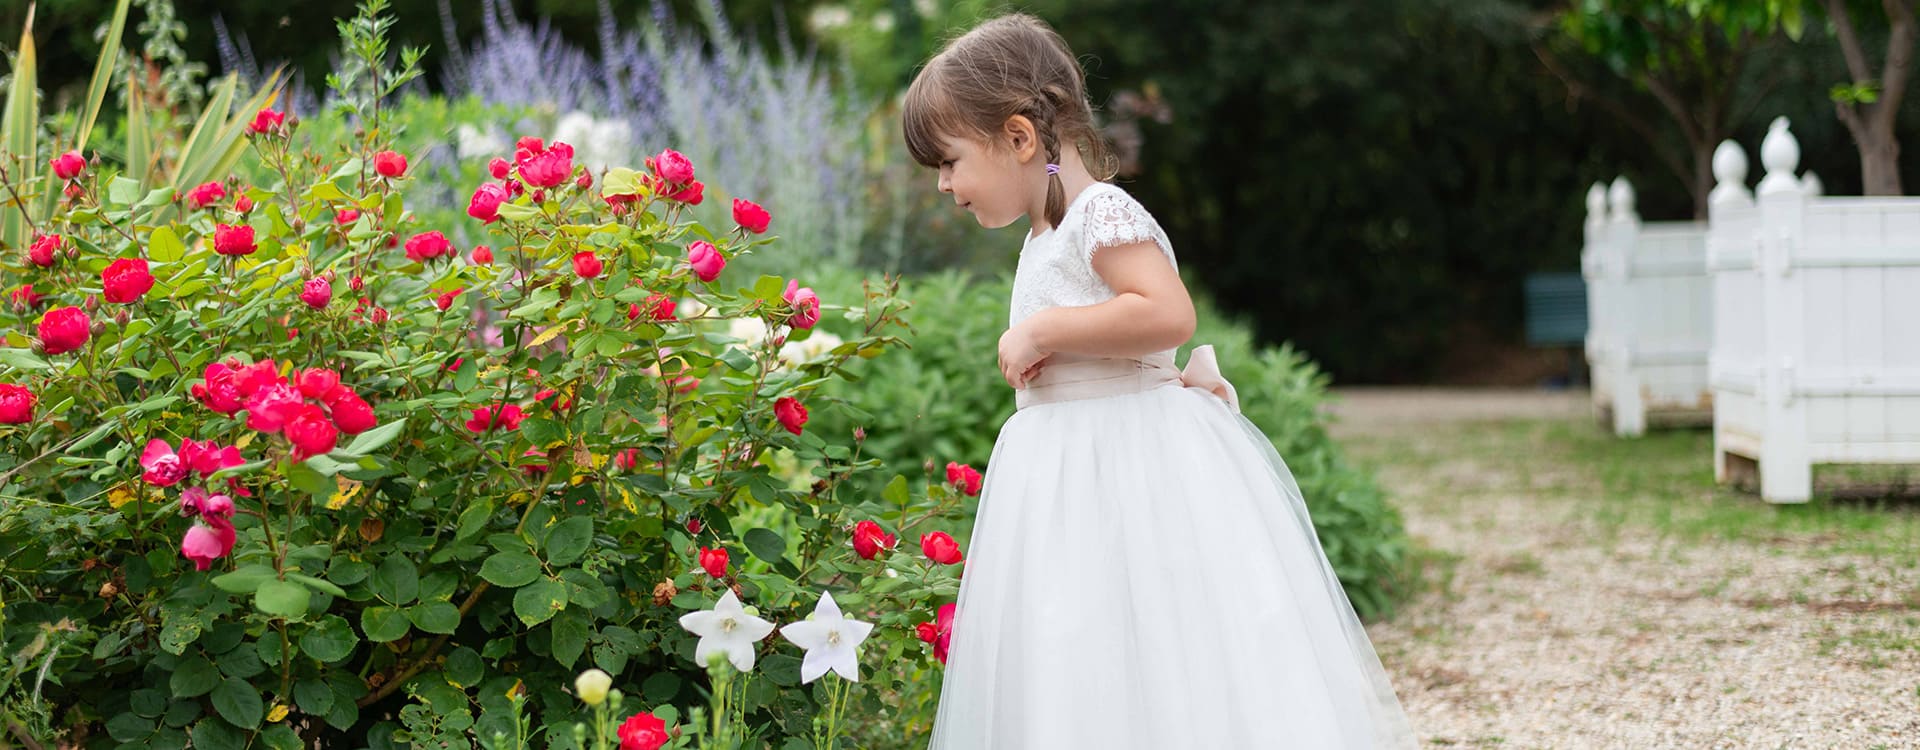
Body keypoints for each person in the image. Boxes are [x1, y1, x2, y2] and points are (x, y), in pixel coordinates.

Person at [900, 13, 1416, 749]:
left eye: (949, 162)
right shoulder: (1044, 235)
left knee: (1159, 638)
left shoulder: (1098, 213)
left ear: (1018, 138)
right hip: (1069, 478)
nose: (944, 184)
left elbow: (1167, 312)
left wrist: (1045, 331)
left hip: (1128, 465)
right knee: (1082, 644)